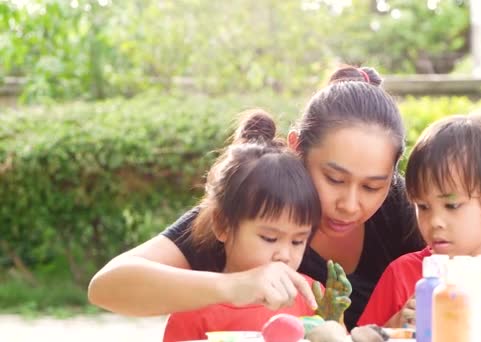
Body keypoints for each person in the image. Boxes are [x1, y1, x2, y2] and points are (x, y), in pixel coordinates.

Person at [88, 65, 425, 330]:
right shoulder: (255, 201)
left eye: (371, 187)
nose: (351, 204)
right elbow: (107, 286)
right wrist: (235, 286)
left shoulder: (400, 208)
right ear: (296, 147)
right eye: (334, 178)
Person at [161, 110, 322, 341]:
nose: (285, 255)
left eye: (298, 241)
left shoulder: (312, 298)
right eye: (269, 238)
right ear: (222, 225)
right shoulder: (193, 308)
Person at [358, 114, 481, 327]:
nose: (435, 221)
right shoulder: (403, 274)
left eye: (452, 206)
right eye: (423, 206)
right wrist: (395, 326)